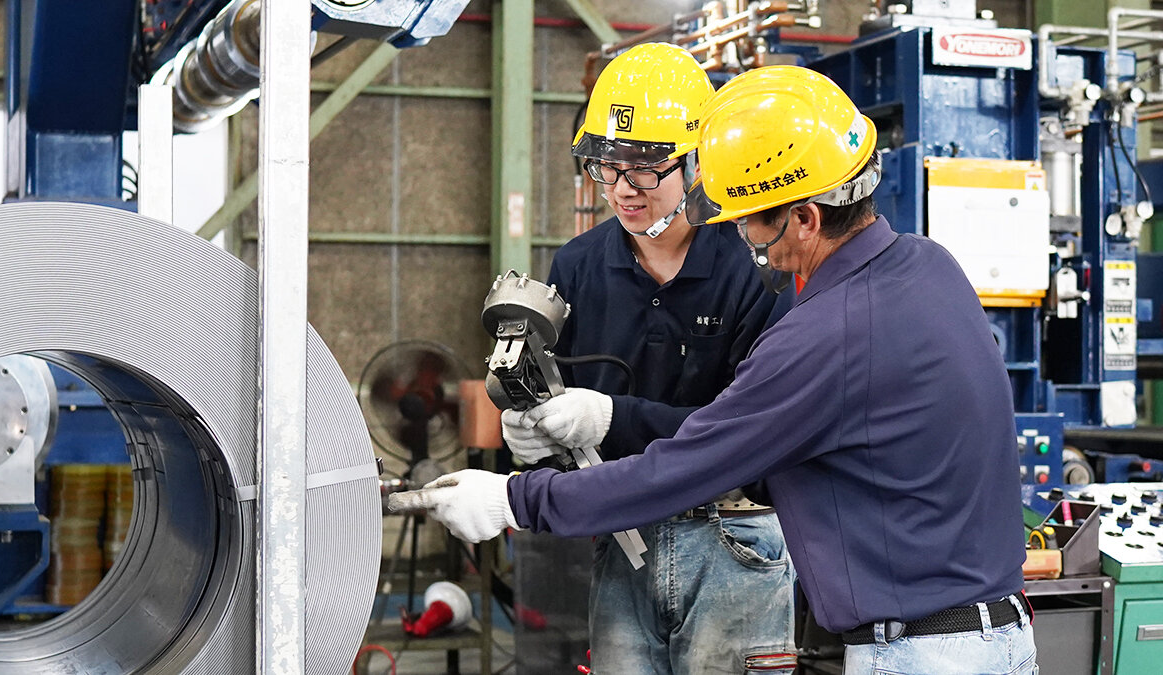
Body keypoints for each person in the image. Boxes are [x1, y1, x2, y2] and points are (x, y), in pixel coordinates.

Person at [392, 65, 1037, 675]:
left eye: (753, 224)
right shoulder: (931, 266)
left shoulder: (826, 333)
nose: (752, 244)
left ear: (806, 216)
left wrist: (514, 500)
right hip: (991, 635)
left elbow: (692, 463)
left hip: (917, 651)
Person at [500, 43, 796, 674]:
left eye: (645, 170)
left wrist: (612, 418)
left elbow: (751, 441)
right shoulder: (578, 267)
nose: (621, 191)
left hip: (736, 540)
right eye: (604, 168)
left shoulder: (758, 266)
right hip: (623, 537)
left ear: (698, 164)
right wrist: (533, 433)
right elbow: (567, 417)